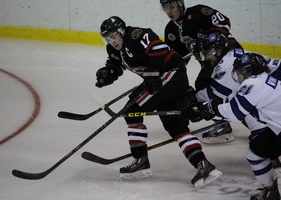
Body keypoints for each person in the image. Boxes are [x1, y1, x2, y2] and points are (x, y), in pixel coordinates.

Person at [95, 16, 222, 187]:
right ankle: (203, 164)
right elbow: (116, 65)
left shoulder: (137, 35)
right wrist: (107, 73)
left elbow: (158, 48)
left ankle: (140, 159)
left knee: (132, 110)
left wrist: (154, 72)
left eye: (113, 36)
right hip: (161, 80)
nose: (112, 41)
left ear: (121, 31)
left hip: (170, 75)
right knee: (175, 126)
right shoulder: (113, 49)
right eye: (108, 38)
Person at [196, 52, 281, 200]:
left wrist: (212, 109)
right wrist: (210, 106)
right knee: (255, 152)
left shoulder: (252, 84)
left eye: (239, 72)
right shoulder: (261, 80)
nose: (237, 76)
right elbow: (238, 102)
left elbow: (235, 112)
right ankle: (270, 190)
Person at [192, 32, 281, 178]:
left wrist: (194, 102)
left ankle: (270, 157)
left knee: (245, 111)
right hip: (278, 83)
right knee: (246, 106)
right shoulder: (233, 54)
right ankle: (271, 154)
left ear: (217, 51)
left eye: (208, 52)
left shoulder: (225, 66)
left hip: (280, 83)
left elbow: (215, 95)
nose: (206, 57)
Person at [160, 0, 243, 144]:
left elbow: (223, 22)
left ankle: (224, 123)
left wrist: (208, 39)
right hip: (210, 62)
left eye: (172, 7)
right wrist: (169, 74)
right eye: (165, 8)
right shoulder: (170, 30)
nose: (169, 12)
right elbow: (177, 58)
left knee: (207, 87)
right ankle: (225, 119)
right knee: (206, 86)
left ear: (180, 5)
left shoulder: (197, 12)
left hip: (228, 53)